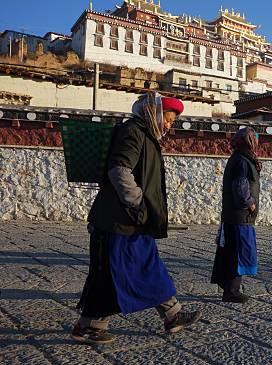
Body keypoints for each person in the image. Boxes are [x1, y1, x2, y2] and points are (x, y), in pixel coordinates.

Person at [71, 92, 201, 345]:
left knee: (146, 266)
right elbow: (119, 170)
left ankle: (172, 315)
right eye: (168, 118)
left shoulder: (146, 135)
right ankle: (90, 326)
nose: (169, 125)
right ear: (154, 113)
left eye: (172, 121)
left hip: (133, 221)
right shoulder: (133, 132)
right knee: (112, 273)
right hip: (118, 221)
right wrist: (139, 202)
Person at [211, 127, 261, 303]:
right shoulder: (241, 160)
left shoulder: (241, 158)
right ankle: (232, 291)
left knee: (231, 251)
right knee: (238, 253)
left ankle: (228, 286)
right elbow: (240, 186)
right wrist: (250, 203)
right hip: (240, 215)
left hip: (235, 215)